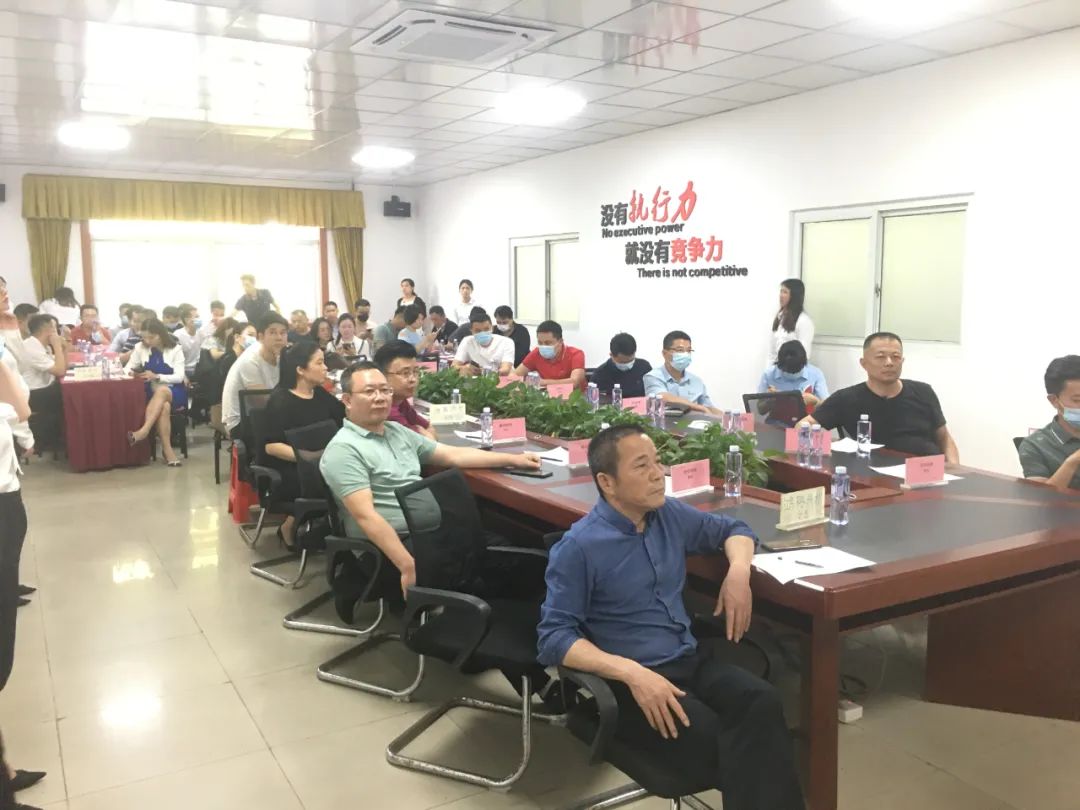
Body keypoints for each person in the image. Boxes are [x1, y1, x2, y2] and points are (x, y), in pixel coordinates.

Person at [537, 425, 805, 810]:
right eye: (642, 466)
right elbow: (553, 638)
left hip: (689, 660)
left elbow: (735, 529)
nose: (657, 474)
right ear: (607, 483)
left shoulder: (667, 515)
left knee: (762, 701)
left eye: (658, 462)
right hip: (633, 681)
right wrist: (633, 674)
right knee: (739, 746)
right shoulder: (579, 547)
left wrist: (738, 573)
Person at [320, 362, 542, 595]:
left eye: (385, 390)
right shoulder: (344, 449)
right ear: (347, 400)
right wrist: (407, 566)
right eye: (369, 391)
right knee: (492, 568)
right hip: (391, 547)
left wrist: (513, 459)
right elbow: (366, 516)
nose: (380, 397)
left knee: (507, 551)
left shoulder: (396, 431)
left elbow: (451, 454)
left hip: (430, 532)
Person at [802, 332, 959, 462]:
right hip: (875, 477)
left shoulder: (924, 392)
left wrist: (955, 469)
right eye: (880, 357)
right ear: (863, 363)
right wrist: (824, 447)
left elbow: (945, 438)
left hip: (927, 472)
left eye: (896, 357)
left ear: (902, 361)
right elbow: (803, 425)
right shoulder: (846, 398)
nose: (889, 363)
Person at [263, 341, 346, 545]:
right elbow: (271, 446)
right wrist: (310, 459)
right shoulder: (280, 401)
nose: (325, 367)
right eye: (319, 363)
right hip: (294, 467)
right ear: (300, 369)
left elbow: (344, 418)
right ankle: (291, 526)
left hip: (324, 460)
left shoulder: (320, 394)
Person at [124, 318, 188, 467]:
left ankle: (143, 431)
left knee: (162, 390)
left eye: (151, 337)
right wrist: (132, 373)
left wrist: (157, 376)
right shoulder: (140, 347)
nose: (147, 341)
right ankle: (167, 450)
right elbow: (126, 369)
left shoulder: (175, 349)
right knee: (164, 407)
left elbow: (179, 377)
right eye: (144, 337)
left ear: (160, 334)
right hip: (151, 391)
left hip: (173, 390)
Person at [221, 312, 289, 436]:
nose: (279, 337)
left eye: (283, 333)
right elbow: (261, 402)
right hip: (240, 421)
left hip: (264, 415)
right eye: (273, 332)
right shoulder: (250, 361)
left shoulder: (281, 355)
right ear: (260, 337)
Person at [1019, 355, 1080, 491]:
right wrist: (1073, 461)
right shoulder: (1035, 446)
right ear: (1054, 401)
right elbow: (1040, 498)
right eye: (1078, 400)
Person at [20, 314, 67, 453]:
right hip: (33, 394)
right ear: (48, 330)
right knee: (69, 393)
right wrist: (58, 346)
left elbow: (62, 367)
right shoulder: (31, 348)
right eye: (55, 328)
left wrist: (63, 349)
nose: (57, 333)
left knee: (67, 389)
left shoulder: (42, 346)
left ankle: (62, 435)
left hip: (45, 388)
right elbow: (60, 371)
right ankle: (63, 437)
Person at [643, 331, 719, 414]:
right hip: (665, 421)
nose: (685, 354)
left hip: (694, 421)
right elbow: (663, 397)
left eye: (688, 350)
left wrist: (726, 417)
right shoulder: (653, 377)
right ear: (665, 353)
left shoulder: (696, 381)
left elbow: (708, 407)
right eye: (680, 350)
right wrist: (697, 407)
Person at [375, 340, 437, 440]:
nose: (413, 379)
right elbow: (427, 443)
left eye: (415, 372)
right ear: (382, 375)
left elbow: (429, 428)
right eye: (405, 373)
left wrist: (424, 432)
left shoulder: (400, 400)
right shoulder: (386, 409)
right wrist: (424, 432)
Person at [514, 320, 586, 390]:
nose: (543, 346)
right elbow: (515, 375)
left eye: (548, 343)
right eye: (540, 343)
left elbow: (575, 382)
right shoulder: (536, 353)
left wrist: (541, 382)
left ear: (560, 342)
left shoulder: (576, 354)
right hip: (549, 396)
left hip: (574, 396)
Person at [758, 340, 829, 411]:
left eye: (796, 372)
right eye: (787, 372)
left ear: (804, 364)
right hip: (777, 417)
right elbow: (759, 410)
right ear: (779, 365)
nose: (791, 376)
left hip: (806, 417)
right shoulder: (768, 374)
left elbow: (828, 407)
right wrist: (769, 401)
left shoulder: (815, 374)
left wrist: (815, 401)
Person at [453, 310, 515, 376]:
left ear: (492, 328)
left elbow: (505, 370)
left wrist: (484, 372)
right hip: (477, 379)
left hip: (501, 378)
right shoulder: (467, 341)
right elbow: (453, 366)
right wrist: (463, 368)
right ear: (471, 331)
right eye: (478, 331)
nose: (482, 333)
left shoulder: (506, 342)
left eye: (486, 329)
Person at [591, 332, 651, 398]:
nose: (627, 364)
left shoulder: (645, 368)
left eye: (630, 361)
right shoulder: (600, 374)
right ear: (611, 355)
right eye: (622, 362)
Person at [770, 278, 814, 366]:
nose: (781, 295)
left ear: (794, 296)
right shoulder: (780, 317)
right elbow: (772, 352)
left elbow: (804, 354)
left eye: (785, 292)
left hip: (793, 370)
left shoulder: (803, 321)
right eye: (781, 291)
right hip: (777, 369)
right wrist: (769, 370)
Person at [175, 303, 202, 377]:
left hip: (199, 367)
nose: (197, 319)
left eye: (198, 316)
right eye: (195, 317)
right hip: (185, 369)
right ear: (186, 320)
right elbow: (175, 360)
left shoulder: (200, 332)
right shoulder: (178, 335)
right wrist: (184, 376)